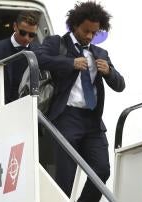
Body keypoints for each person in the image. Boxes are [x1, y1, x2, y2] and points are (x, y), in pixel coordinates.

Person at [35, 2, 125, 201]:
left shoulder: (101, 53)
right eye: (86, 31)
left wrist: (109, 72)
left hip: (92, 121)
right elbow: (38, 58)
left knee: (102, 170)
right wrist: (70, 63)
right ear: (74, 25)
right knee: (65, 178)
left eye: (95, 32)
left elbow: (120, 85)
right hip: (66, 117)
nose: (90, 36)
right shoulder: (56, 43)